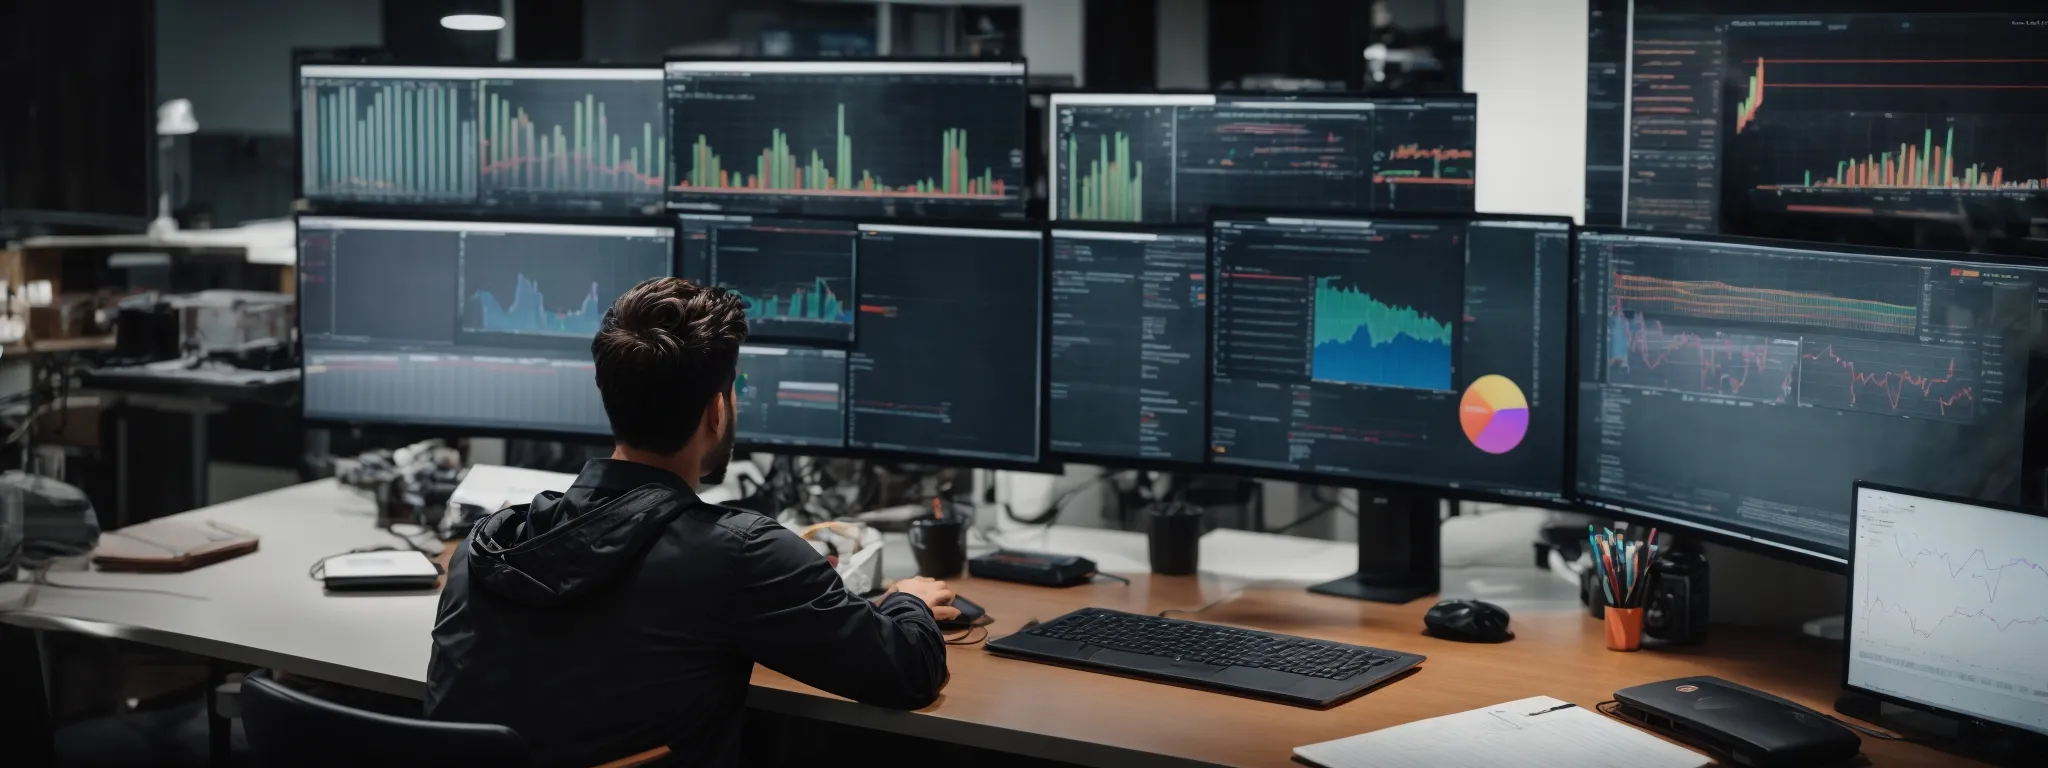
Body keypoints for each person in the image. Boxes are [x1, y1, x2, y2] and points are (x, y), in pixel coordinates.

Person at [427, 277, 958, 767]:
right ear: (716, 412)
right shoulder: (741, 553)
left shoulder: (487, 546)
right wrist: (908, 600)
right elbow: (907, 673)